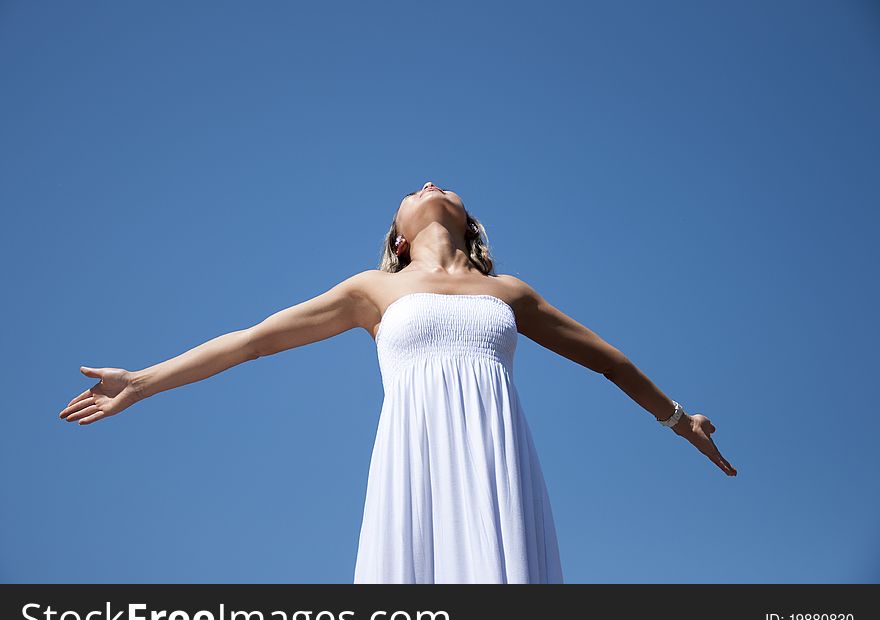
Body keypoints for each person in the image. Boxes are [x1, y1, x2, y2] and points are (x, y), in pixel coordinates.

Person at [59, 180, 736, 583]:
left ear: (470, 224)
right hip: (416, 467)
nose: (429, 181)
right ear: (399, 238)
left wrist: (678, 417)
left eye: (441, 186)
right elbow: (254, 341)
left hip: (497, 468)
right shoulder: (374, 290)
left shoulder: (510, 292)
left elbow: (609, 361)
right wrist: (143, 381)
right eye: (413, 191)